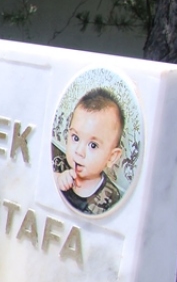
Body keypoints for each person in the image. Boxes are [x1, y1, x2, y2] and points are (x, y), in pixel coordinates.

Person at [52, 87, 126, 215]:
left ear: (111, 157)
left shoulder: (110, 197)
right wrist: (57, 179)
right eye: (75, 138)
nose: (79, 152)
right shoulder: (59, 165)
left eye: (93, 145)